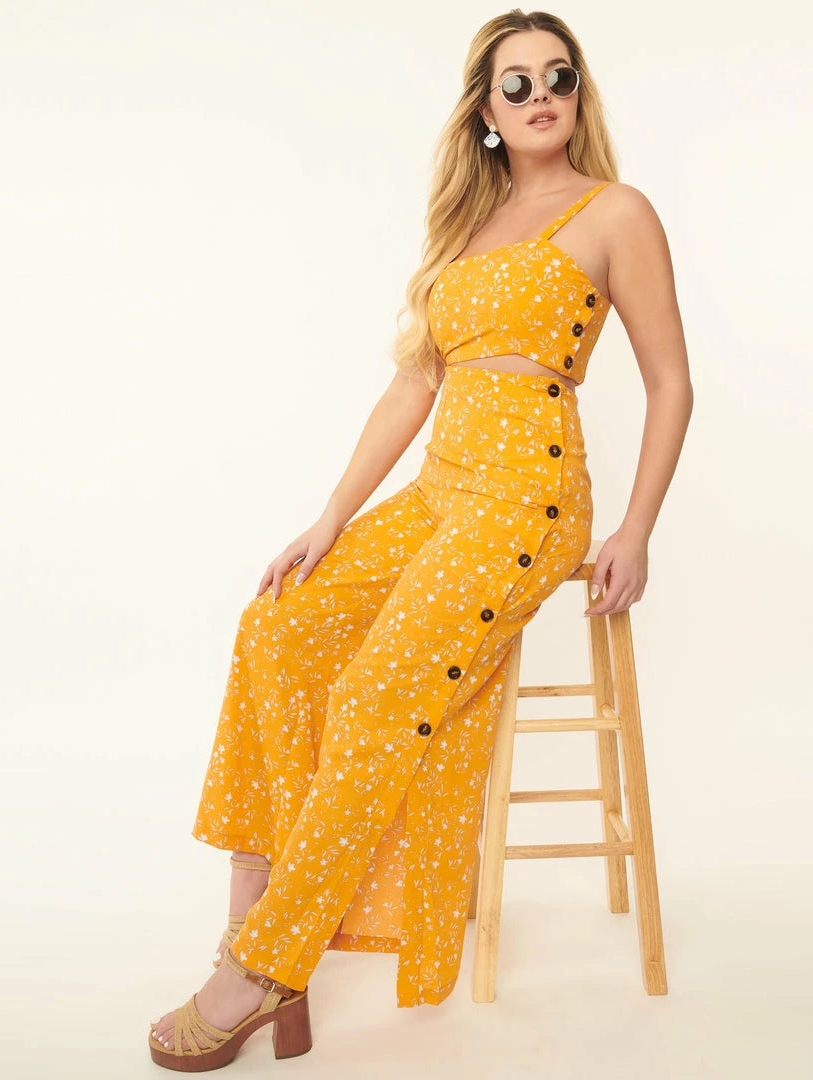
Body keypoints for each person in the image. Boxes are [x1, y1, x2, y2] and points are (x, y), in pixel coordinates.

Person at [148, 7, 693, 1069]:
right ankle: (246, 923)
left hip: (526, 501)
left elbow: (671, 381)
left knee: (376, 695)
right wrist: (330, 518)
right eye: (516, 84)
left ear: (578, 92)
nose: (541, 97)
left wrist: (635, 529)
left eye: (558, 77)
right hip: (440, 491)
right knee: (279, 627)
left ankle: (263, 972)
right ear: (486, 110)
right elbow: (414, 387)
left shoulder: (615, 211)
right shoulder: (468, 226)